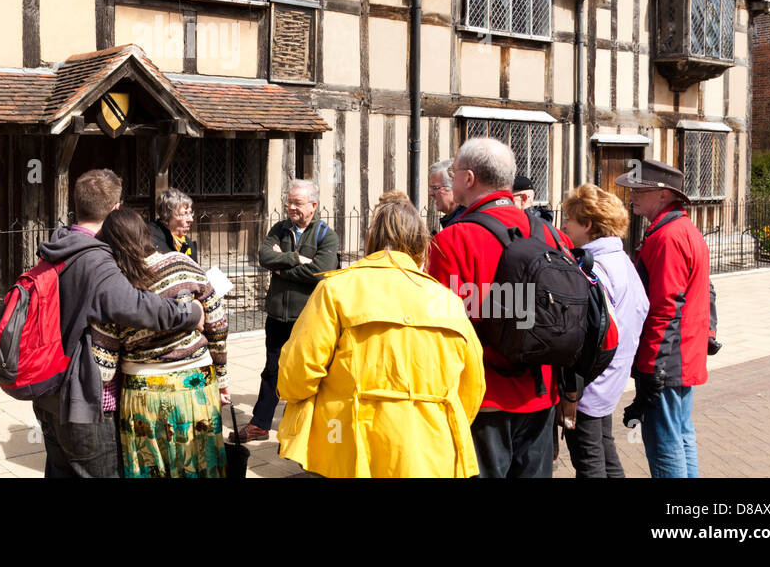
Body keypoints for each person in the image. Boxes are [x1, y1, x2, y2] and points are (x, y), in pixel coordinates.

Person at [276, 191, 486, 477]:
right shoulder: (447, 301)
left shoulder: (337, 289)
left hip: (346, 440)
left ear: (371, 239)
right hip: (428, 449)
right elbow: (472, 387)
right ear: (421, 243)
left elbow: (298, 371)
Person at [32, 169, 204, 478]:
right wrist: (190, 313)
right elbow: (138, 307)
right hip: (82, 401)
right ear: (115, 210)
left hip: (47, 395)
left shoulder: (56, 248)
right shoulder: (96, 260)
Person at [427, 138, 571, 478]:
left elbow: (441, 328)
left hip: (485, 396)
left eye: (454, 172)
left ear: (469, 179)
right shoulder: (551, 235)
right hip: (542, 391)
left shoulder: (452, 240)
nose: (452, 179)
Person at [90, 209, 228, 477]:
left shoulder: (114, 286)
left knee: (152, 468)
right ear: (146, 234)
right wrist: (222, 380)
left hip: (143, 396)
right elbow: (218, 324)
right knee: (200, 464)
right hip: (196, 387)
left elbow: (103, 368)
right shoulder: (182, 263)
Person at [616, 159, 712, 478]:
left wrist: (650, 368)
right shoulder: (681, 229)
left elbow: (665, 307)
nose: (631, 194)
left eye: (639, 189)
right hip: (681, 354)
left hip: (668, 358)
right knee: (681, 435)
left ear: (663, 195)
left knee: (664, 442)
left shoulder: (668, 236)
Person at [234, 179, 339, 443]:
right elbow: (264, 256)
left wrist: (281, 269)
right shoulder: (280, 229)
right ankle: (260, 424)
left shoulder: (326, 234)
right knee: (271, 369)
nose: (291, 207)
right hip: (277, 315)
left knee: (309, 373)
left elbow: (321, 271)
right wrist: (293, 258)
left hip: (308, 318)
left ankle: (308, 431)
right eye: (289, 202)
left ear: (313, 206)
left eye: (297, 203)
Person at [557, 183, 649, 477]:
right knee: (605, 454)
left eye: (570, 219)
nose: (564, 225)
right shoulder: (620, 260)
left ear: (587, 224)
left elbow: (585, 330)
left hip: (589, 384)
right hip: (609, 379)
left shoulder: (594, 268)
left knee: (589, 462)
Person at [147, 186, 198, 260]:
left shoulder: (188, 244)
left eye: (190, 213)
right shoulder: (151, 239)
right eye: (184, 214)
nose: (191, 219)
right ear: (166, 217)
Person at [429, 159, 463, 230]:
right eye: (430, 188)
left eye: (435, 188)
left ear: (454, 187)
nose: (430, 193)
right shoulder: (455, 220)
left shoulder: (461, 225)